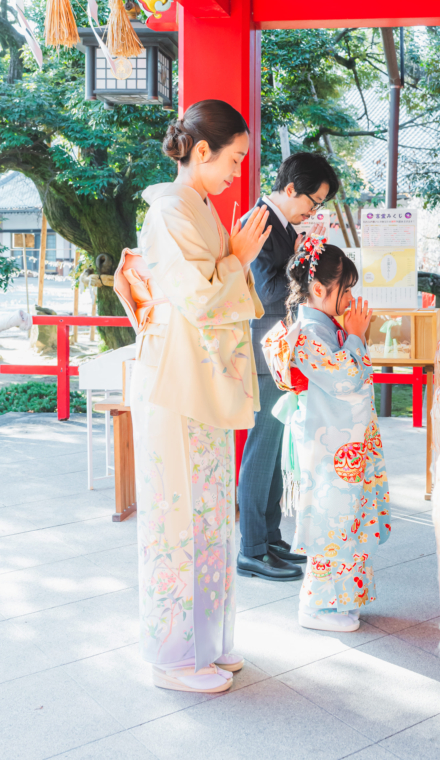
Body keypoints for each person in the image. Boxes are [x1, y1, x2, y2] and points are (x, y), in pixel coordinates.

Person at [117, 100, 269, 695]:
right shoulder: (170, 211)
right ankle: (174, 656)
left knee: (208, 516)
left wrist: (234, 259)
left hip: (197, 378)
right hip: (174, 380)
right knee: (177, 520)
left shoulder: (199, 206)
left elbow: (217, 284)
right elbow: (202, 300)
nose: (237, 172)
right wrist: (239, 259)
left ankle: (207, 642)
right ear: (201, 152)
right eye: (233, 159)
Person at [262, 239, 391, 632]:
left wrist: (351, 336)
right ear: (319, 290)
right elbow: (348, 380)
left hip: (342, 444)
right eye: (345, 289)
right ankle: (316, 607)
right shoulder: (306, 335)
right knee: (330, 521)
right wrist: (354, 336)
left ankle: (341, 601)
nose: (351, 298)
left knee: (349, 519)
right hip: (327, 448)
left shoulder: (324, 329)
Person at [237, 152, 340, 582]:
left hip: (276, 346)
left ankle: (271, 540)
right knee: (263, 448)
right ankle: (252, 548)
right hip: (265, 346)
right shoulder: (260, 222)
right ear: (292, 188)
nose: (312, 211)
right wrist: (302, 260)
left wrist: (299, 253)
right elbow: (271, 292)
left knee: (276, 449)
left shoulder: (279, 224)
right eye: (312, 202)